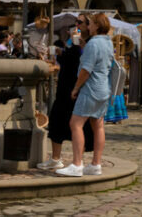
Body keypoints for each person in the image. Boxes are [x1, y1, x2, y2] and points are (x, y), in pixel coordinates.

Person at [56, 13, 114, 178]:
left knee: (75, 124)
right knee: (98, 125)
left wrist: (76, 88)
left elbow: (85, 70)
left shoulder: (93, 44)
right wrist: (84, 45)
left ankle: (77, 164)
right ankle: (96, 164)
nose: (88, 26)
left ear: (96, 25)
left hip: (91, 89)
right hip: (103, 88)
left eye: (91, 23)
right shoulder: (107, 42)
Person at [39, 22, 91, 170]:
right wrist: (61, 52)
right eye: (75, 25)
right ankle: (56, 158)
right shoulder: (75, 43)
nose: (76, 27)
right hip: (66, 88)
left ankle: (78, 162)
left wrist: (73, 45)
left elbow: (78, 61)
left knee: (78, 125)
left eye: (80, 24)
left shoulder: (88, 43)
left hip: (75, 88)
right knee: (57, 122)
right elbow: (69, 58)